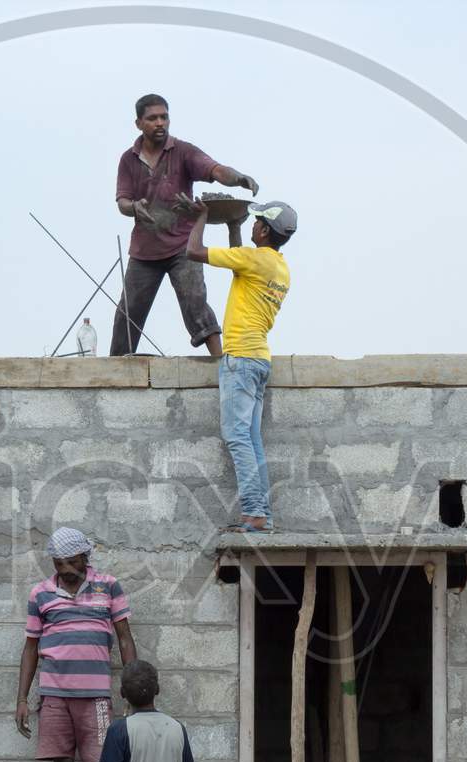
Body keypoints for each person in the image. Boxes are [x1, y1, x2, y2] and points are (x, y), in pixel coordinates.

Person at [15, 527, 137, 762]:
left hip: (98, 699)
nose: (64, 568)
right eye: (58, 562)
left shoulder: (108, 586)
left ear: (85, 557)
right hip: (54, 698)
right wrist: (22, 698)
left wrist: (130, 690)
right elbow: (30, 648)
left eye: (70, 561)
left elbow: (125, 639)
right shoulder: (41, 593)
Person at [110, 93, 260, 357]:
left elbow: (214, 169)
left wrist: (238, 178)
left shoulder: (182, 152)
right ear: (138, 124)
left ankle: (221, 363)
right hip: (144, 251)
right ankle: (114, 369)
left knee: (196, 302)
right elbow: (122, 201)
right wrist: (134, 207)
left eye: (164, 117)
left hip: (182, 247)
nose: (160, 123)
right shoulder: (128, 160)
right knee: (128, 312)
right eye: (152, 118)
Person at [183, 196, 296, 533]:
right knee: (252, 440)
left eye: (256, 221)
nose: (252, 224)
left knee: (236, 436)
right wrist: (233, 225)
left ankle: (254, 512)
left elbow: (194, 251)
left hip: (241, 361)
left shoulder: (254, 259)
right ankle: (263, 515)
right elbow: (237, 261)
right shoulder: (278, 267)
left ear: (263, 230)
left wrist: (201, 216)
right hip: (259, 360)